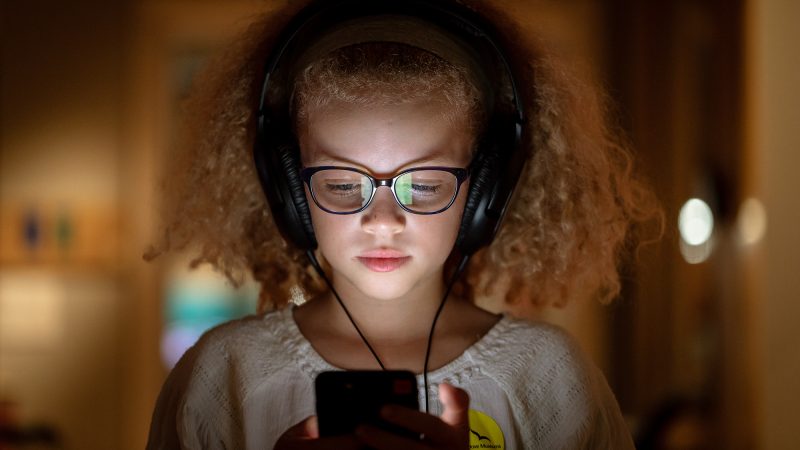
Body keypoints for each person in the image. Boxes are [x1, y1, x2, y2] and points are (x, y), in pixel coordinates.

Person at [144, 0, 660, 448]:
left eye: (426, 184)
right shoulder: (223, 375)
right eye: (344, 184)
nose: (383, 221)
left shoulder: (548, 377)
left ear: (484, 192)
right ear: (289, 193)